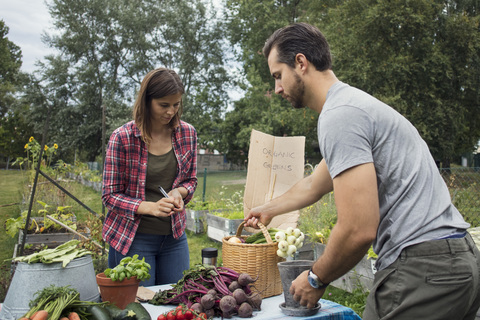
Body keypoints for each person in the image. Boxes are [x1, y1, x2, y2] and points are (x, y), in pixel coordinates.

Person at [245, 22, 480, 319]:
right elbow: (315, 184)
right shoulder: (354, 106)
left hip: (424, 270)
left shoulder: (340, 116)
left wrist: (316, 277)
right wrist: (267, 209)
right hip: (459, 261)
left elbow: (359, 228)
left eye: (278, 76)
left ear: (301, 63)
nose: (277, 88)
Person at [102, 67, 198, 286]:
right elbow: (110, 195)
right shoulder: (122, 138)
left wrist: (179, 192)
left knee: (176, 302)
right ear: (147, 101)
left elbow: (191, 180)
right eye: (164, 105)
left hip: (174, 238)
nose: (171, 111)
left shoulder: (187, 133)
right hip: (133, 238)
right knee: (139, 307)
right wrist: (150, 207)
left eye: (176, 104)